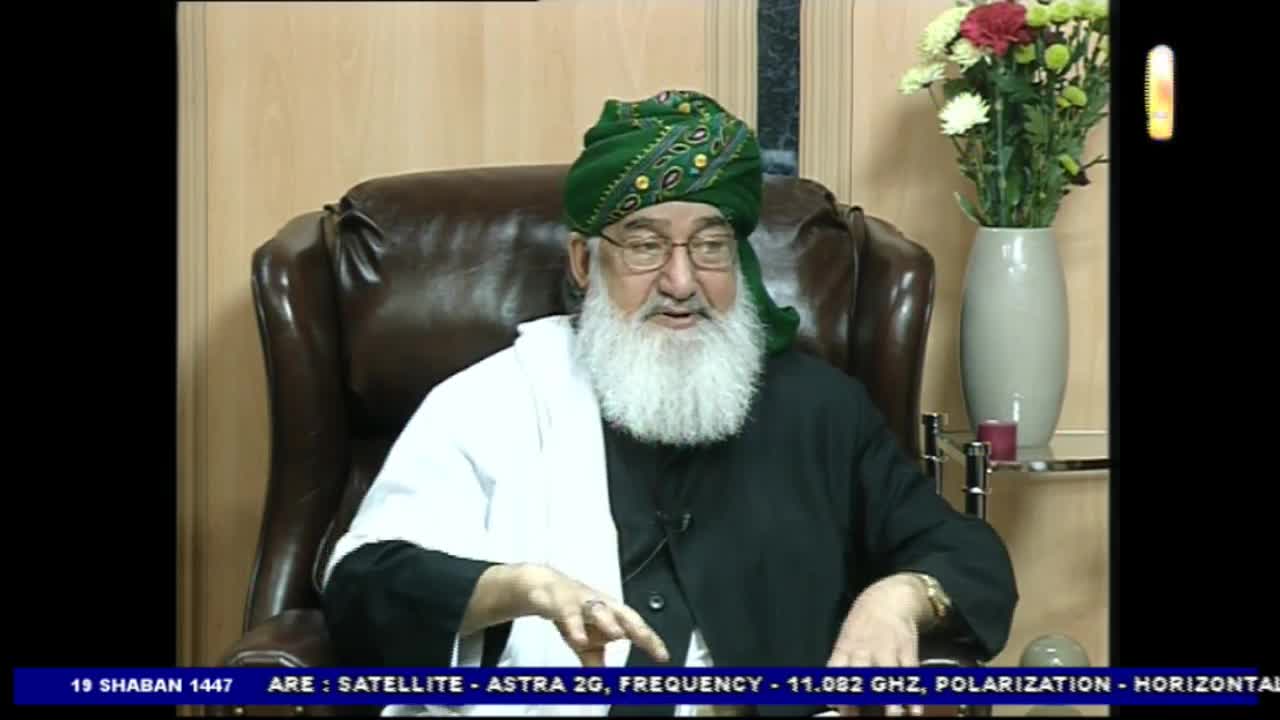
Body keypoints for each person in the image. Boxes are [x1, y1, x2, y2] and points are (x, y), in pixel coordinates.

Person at [320, 90, 1018, 717]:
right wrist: (519, 588)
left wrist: (895, 598)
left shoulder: (819, 409)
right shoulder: (493, 402)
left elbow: (964, 553)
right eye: (646, 246)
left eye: (710, 246)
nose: (681, 281)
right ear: (584, 262)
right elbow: (364, 585)